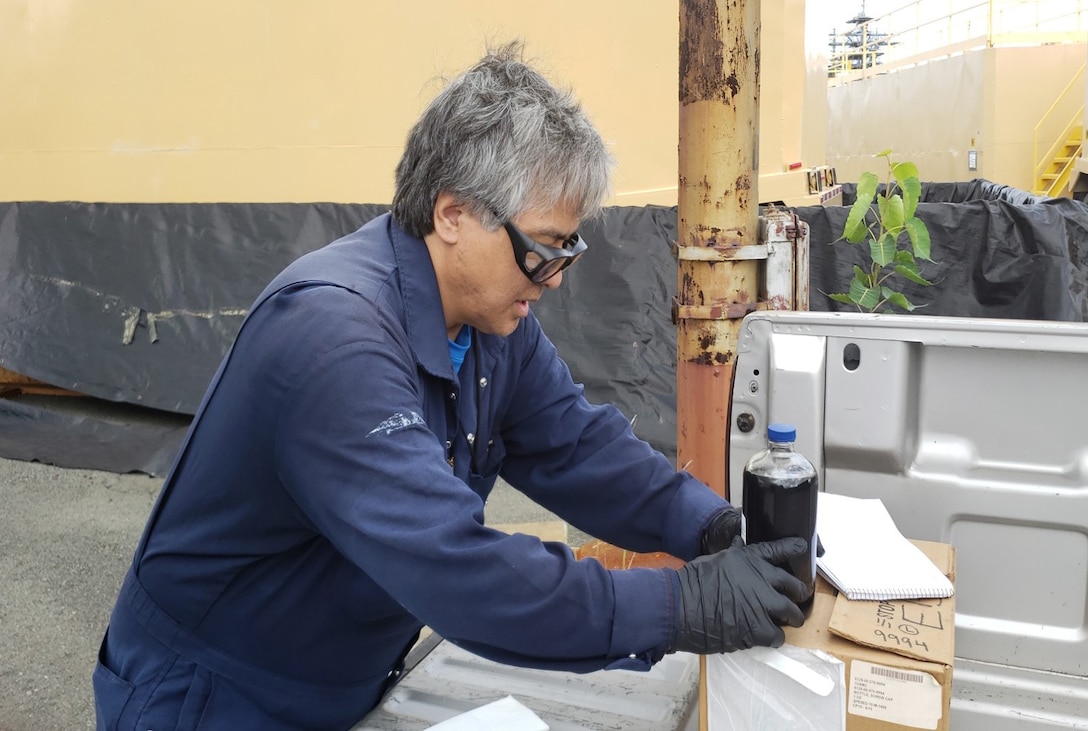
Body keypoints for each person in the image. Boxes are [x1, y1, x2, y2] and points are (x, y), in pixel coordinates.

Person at [92, 43, 807, 730]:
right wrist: (680, 606)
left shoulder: (490, 324)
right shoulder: (332, 339)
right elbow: (456, 569)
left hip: (340, 678)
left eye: (569, 248)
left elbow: (578, 446)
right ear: (451, 213)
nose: (554, 278)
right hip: (215, 696)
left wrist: (711, 523)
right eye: (541, 249)